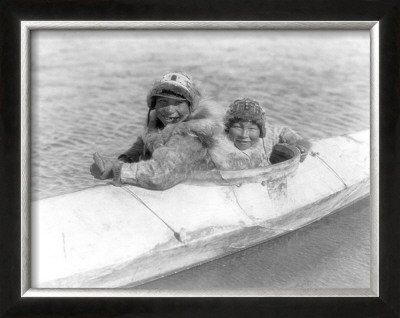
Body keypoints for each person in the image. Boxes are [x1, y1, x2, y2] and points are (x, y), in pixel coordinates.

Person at [90, 72, 224, 190]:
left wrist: (117, 170)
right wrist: (117, 162)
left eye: (178, 103)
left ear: (191, 107)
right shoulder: (158, 127)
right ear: (154, 105)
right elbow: (139, 149)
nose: (169, 110)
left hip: (206, 194)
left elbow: (161, 176)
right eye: (163, 102)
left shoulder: (193, 135)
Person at [208, 98, 311, 170]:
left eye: (252, 128)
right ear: (227, 128)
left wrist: (302, 148)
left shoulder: (268, 136)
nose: (244, 135)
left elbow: (296, 138)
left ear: (261, 131)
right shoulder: (215, 141)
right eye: (237, 127)